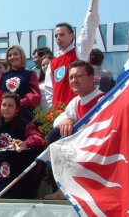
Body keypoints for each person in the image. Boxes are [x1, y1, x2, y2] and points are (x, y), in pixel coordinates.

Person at [44, 60, 106, 200]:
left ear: (91, 78)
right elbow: (58, 120)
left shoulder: (103, 100)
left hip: (100, 149)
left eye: (78, 76)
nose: (73, 80)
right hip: (83, 148)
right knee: (55, 135)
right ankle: (64, 188)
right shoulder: (76, 102)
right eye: (71, 77)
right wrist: (66, 119)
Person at [45, 0, 102, 106]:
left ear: (71, 36)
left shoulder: (80, 51)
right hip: (59, 116)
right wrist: (52, 112)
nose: (58, 38)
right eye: (56, 36)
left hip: (81, 113)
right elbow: (50, 92)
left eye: (62, 34)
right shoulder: (52, 63)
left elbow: (90, 25)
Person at [0, 92, 44, 198]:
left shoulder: (26, 125)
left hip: (18, 175)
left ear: (17, 109)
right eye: (4, 105)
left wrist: (25, 143)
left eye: (10, 106)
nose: (6, 108)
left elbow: (38, 139)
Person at [0, 45, 41, 120]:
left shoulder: (30, 74)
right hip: (5, 116)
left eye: (15, 54)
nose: (12, 57)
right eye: (10, 55)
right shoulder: (2, 76)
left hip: (24, 116)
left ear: (21, 56)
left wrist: (17, 104)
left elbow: (35, 95)